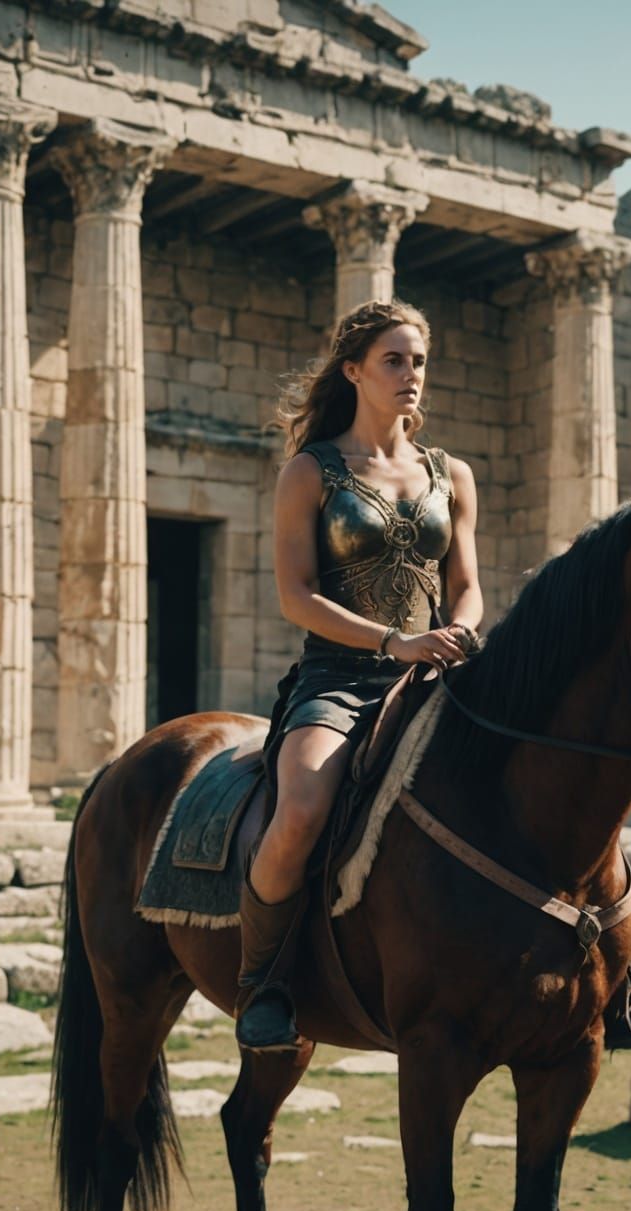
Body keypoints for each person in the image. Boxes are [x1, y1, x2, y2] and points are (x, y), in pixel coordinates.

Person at [234, 298, 483, 1051]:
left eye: (418, 362)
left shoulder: (452, 474)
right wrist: (391, 643)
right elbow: (296, 596)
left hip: (439, 674)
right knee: (302, 807)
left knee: (544, 770)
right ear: (354, 371)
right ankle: (264, 982)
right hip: (341, 680)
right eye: (394, 361)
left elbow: (466, 581)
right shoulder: (312, 472)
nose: (411, 376)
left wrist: (462, 630)